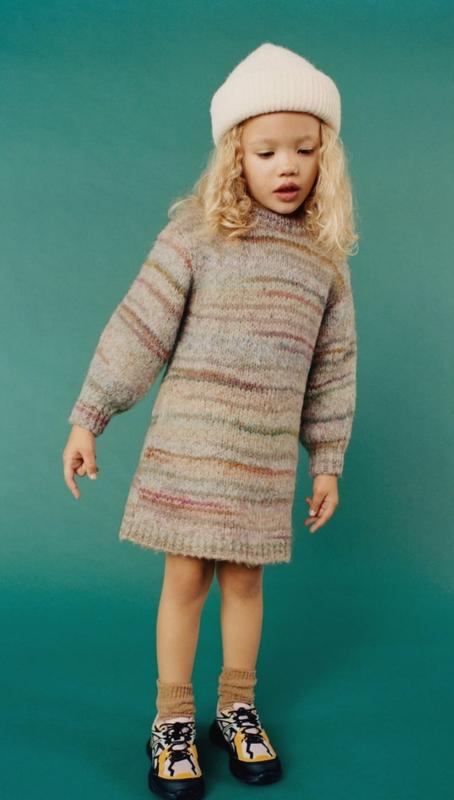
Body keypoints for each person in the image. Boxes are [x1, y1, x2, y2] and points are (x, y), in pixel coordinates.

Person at [62, 41, 359, 799]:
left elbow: (333, 369)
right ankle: (172, 717)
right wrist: (91, 415)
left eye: (304, 150)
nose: (287, 166)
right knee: (187, 579)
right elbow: (139, 329)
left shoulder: (324, 263)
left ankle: (236, 707)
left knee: (246, 583)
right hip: (189, 454)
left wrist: (327, 460)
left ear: (326, 158)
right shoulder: (196, 237)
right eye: (267, 151)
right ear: (235, 157)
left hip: (262, 463)